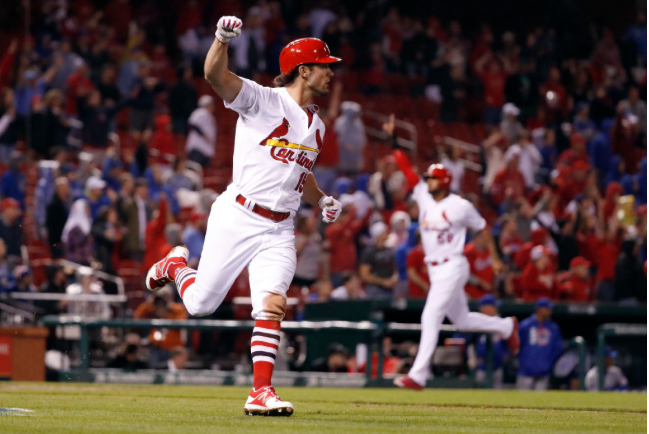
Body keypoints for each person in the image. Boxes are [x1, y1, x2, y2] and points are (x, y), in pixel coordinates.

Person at [144, 19, 342, 416]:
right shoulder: (263, 100)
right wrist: (221, 40)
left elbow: (299, 173)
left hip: (280, 227)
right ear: (304, 70)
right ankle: (176, 265)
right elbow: (214, 75)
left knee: (272, 305)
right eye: (324, 64)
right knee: (200, 304)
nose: (330, 71)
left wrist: (320, 199)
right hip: (238, 215)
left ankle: (260, 392)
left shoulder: (317, 125)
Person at [386, 116, 519, 391]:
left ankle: (418, 375)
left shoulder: (459, 205)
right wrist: (393, 140)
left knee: (430, 315)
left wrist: (494, 258)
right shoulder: (422, 195)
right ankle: (506, 327)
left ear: (444, 181)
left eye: (433, 178)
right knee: (463, 320)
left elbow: (483, 229)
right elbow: (407, 170)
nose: (428, 181)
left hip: (453, 265)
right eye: (429, 178)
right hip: (435, 269)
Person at [516, 298, 563, 391]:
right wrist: (523, 361)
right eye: (547, 308)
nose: (550, 311)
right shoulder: (525, 325)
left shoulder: (553, 327)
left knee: (540, 402)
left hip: (544, 372)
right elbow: (516, 345)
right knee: (521, 401)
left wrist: (548, 362)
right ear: (540, 309)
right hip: (525, 371)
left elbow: (558, 348)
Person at [473, 295, 510, 389]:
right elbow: (467, 341)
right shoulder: (474, 321)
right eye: (493, 306)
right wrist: (472, 356)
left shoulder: (499, 322)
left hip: (497, 366)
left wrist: (504, 355)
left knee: (497, 395)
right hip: (480, 366)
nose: (496, 309)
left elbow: (506, 342)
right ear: (485, 308)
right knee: (478, 393)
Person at [359, 222, 398, 299]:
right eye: (384, 231)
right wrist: (383, 282)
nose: (387, 232)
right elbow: (364, 275)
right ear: (378, 235)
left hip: (391, 288)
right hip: (375, 289)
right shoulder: (369, 252)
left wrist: (394, 278)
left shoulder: (390, 250)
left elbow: (395, 268)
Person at [186, 95, 217, 167]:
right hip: (198, 147)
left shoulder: (210, 115)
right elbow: (192, 124)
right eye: (211, 104)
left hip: (205, 148)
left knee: (203, 172)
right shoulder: (200, 112)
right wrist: (203, 135)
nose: (213, 106)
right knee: (196, 169)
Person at [292, 214, 321, 288]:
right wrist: (305, 239)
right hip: (299, 274)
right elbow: (294, 252)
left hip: (313, 275)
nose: (313, 223)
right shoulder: (298, 237)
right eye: (311, 222)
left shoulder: (316, 237)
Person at [463, 231, 494, 300]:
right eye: (484, 238)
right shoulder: (468, 252)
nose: (487, 240)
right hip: (471, 294)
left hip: (485, 293)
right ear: (476, 239)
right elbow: (464, 273)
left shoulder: (487, 250)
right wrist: (481, 283)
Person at [61, 199, 93, 265]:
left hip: (85, 261)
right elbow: (75, 248)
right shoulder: (74, 229)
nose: (88, 211)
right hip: (76, 263)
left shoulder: (88, 225)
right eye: (86, 208)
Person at [46, 177, 71, 258]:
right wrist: (59, 242)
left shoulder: (67, 202)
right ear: (59, 189)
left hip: (65, 242)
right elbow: (51, 226)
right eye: (65, 187)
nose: (68, 189)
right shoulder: (53, 205)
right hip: (56, 243)